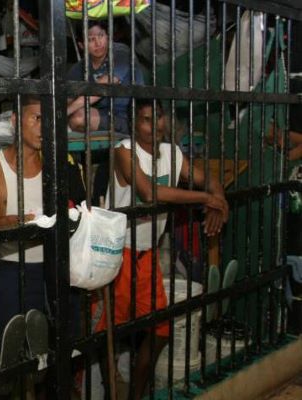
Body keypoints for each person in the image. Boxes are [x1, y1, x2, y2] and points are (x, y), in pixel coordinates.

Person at [97, 98, 229, 399]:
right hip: (117, 255)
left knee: (160, 331)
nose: (154, 126)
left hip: (146, 256)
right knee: (108, 335)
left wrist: (218, 198)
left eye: (158, 118)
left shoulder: (171, 153)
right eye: (145, 119)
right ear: (133, 125)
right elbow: (148, 192)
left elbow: (206, 178)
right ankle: (111, 391)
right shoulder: (124, 151)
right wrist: (204, 199)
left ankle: (136, 394)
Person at [0, 95, 86, 341]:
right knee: (10, 352)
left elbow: (80, 215)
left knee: (61, 347)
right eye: (37, 118)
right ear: (16, 121)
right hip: (12, 269)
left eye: (49, 121)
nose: (44, 128)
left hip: (57, 268)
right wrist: (12, 223)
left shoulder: (59, 165)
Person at [67, 20, 144, 135]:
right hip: (104, 117)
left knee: (75, 116)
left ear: (108, 36)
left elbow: (104, 85)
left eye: (101, 35)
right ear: (81, 45)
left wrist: (66, 111)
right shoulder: (78, 69)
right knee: (76, 117)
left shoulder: (121, 52)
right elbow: (67, 99)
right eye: (91, 39)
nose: (98, 43)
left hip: (134, 118)